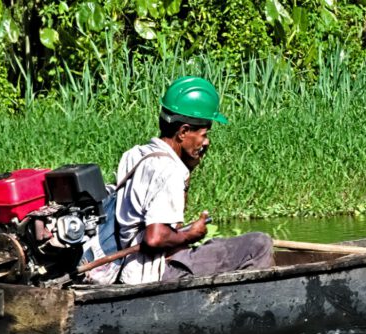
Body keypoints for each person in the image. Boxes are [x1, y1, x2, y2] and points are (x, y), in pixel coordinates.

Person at [115, 76, 273, 284]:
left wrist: (186, 171)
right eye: (204, 134)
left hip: (130, 266)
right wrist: (191, 235)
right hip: (155, 271)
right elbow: (155, 238)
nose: (206, 142)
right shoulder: (167, 170)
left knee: (218, 243)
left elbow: (172, 223)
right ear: (183, 132)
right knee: (258, 243)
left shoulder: (136, 154)